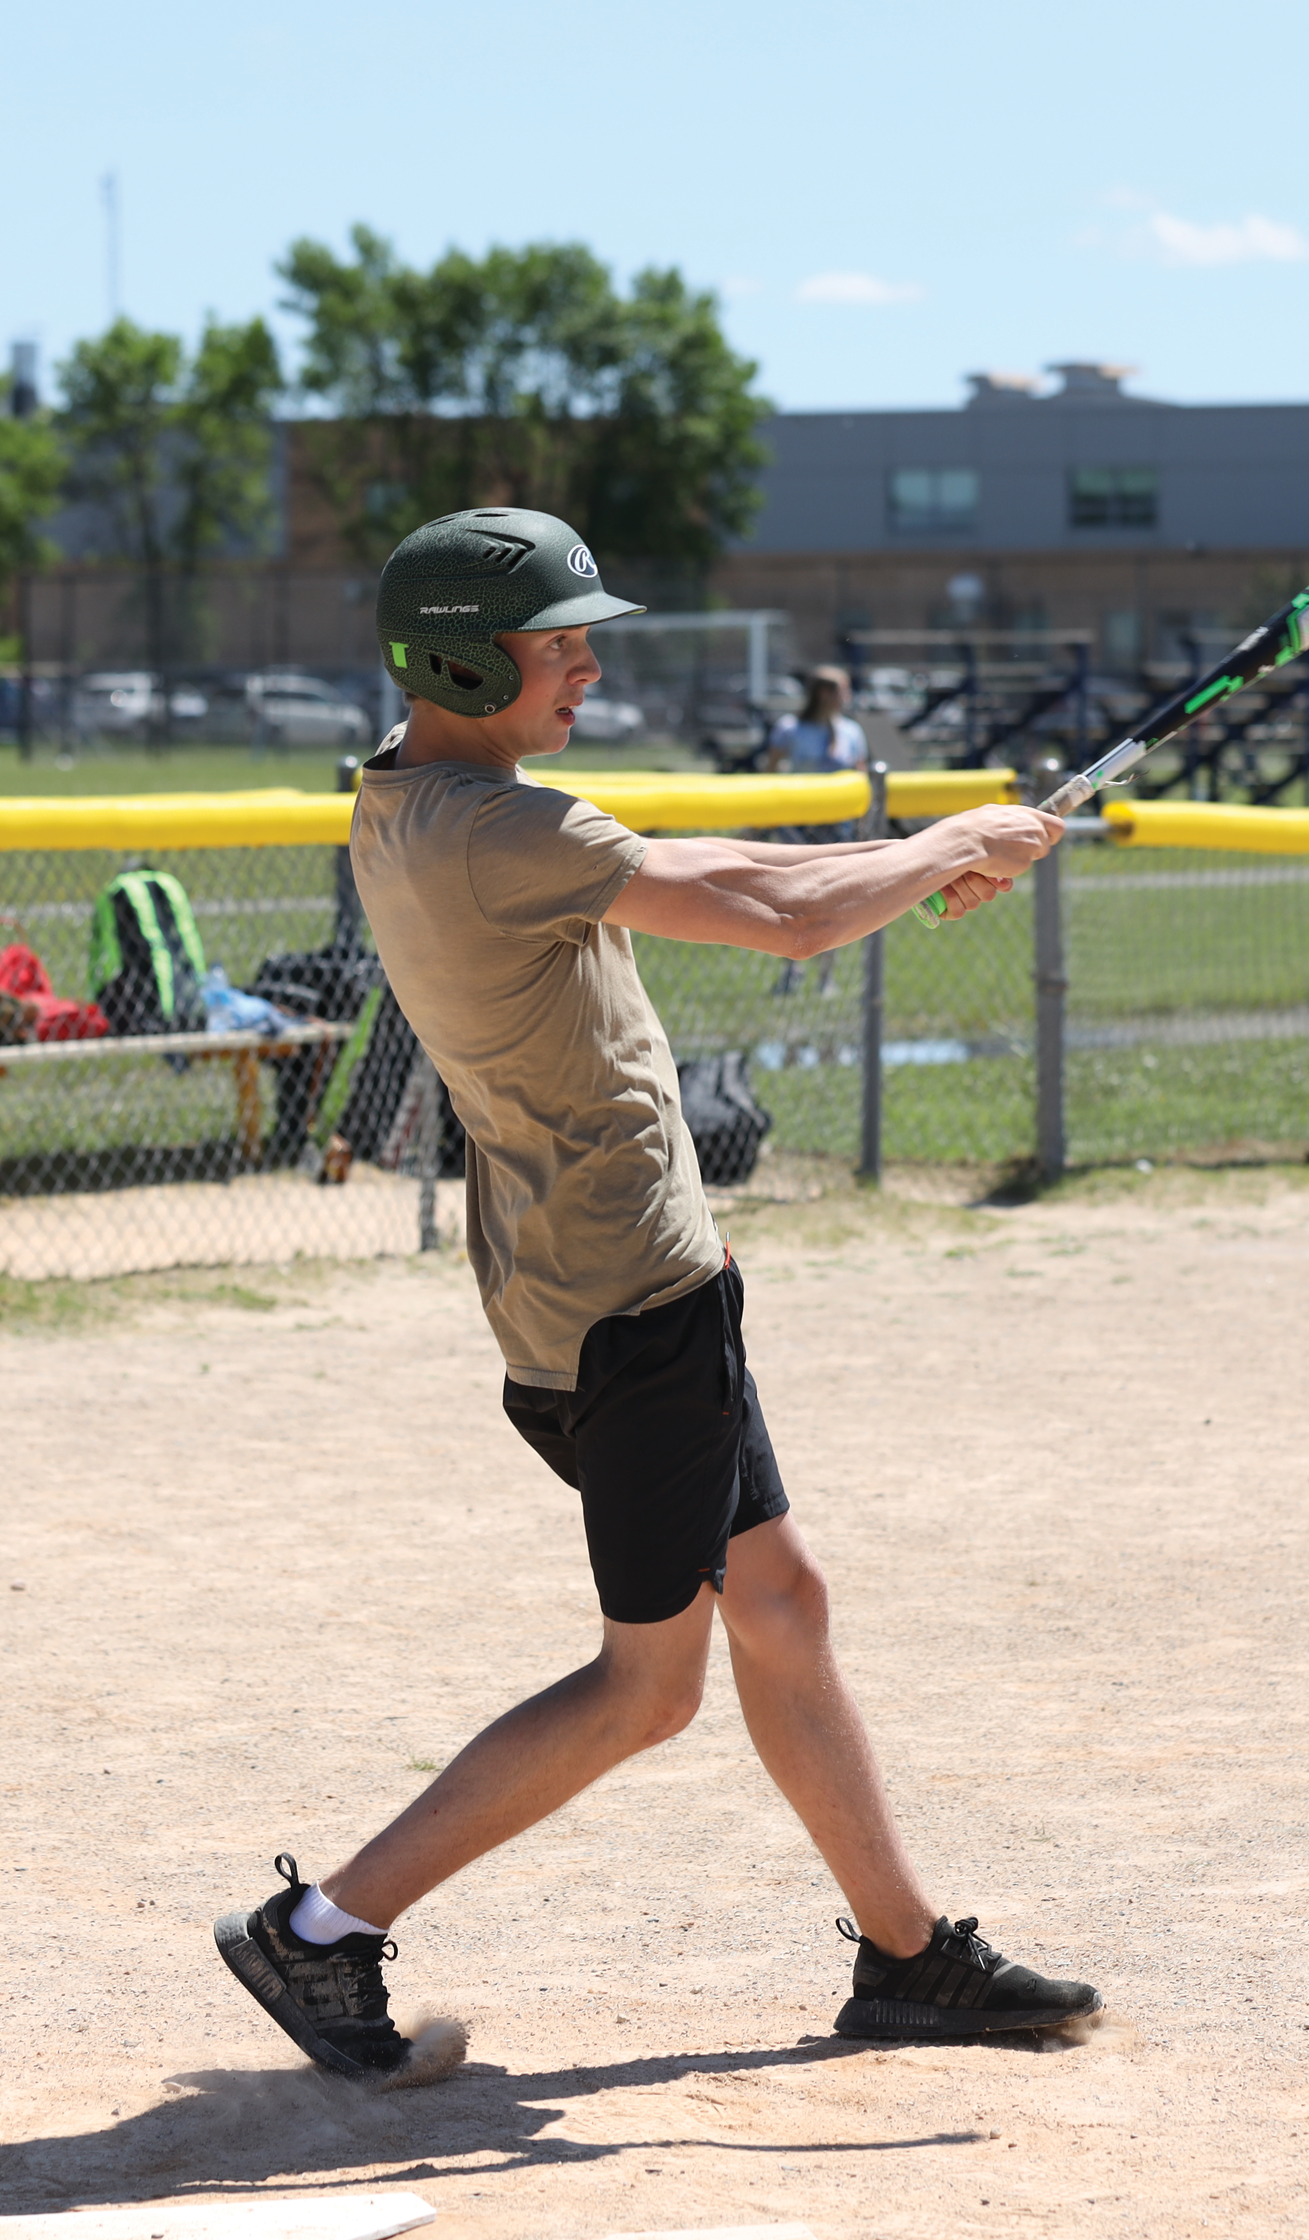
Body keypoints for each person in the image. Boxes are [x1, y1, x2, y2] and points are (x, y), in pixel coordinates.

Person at [213, 508, 1093, 2080]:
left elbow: (741, 870)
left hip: (621, 1282)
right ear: (464, 662)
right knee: (648, 1688)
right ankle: (321, 1929)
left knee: (783, 1605)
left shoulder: (419, 792)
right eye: (559, 646)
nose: (589, 669)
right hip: (625, 1304)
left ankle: (908, 1958)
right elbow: (785, 917)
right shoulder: (497, 831)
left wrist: (923, 858)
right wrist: (946, 847)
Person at [761, 665, 871, 995]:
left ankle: (826, 977)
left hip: (837, 826)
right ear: (824, 693)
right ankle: (790, 971)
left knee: (832, 901)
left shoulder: (851, 731)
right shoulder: (790, 729)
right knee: (790, 898)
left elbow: (861, 776)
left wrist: (862, 824)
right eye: (843, 689)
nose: (848, 696)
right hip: (798, 825)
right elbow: (771, 772)